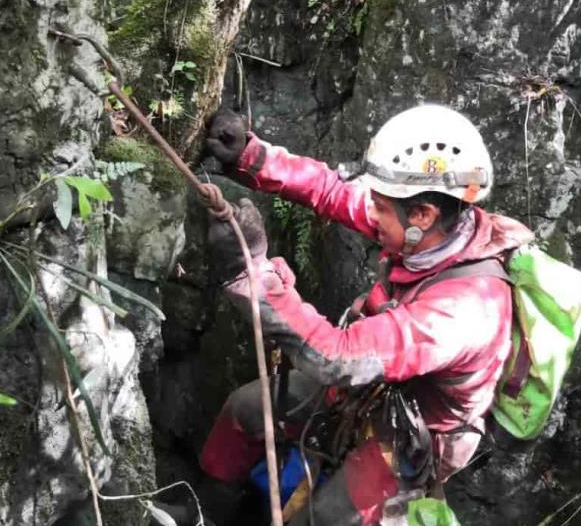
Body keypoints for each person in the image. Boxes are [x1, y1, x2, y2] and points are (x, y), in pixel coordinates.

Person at [198, 104, 534, 525]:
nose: (369, 213)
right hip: (370, 390)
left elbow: (335, 357)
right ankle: (204, 514)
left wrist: (251, 272)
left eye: (378, 205)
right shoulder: (429, 231)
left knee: (319, 520)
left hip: (410, 437)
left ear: (422, 215)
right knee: (244, 411)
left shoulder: (461, 313)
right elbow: (333, 192)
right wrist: (252, 157)